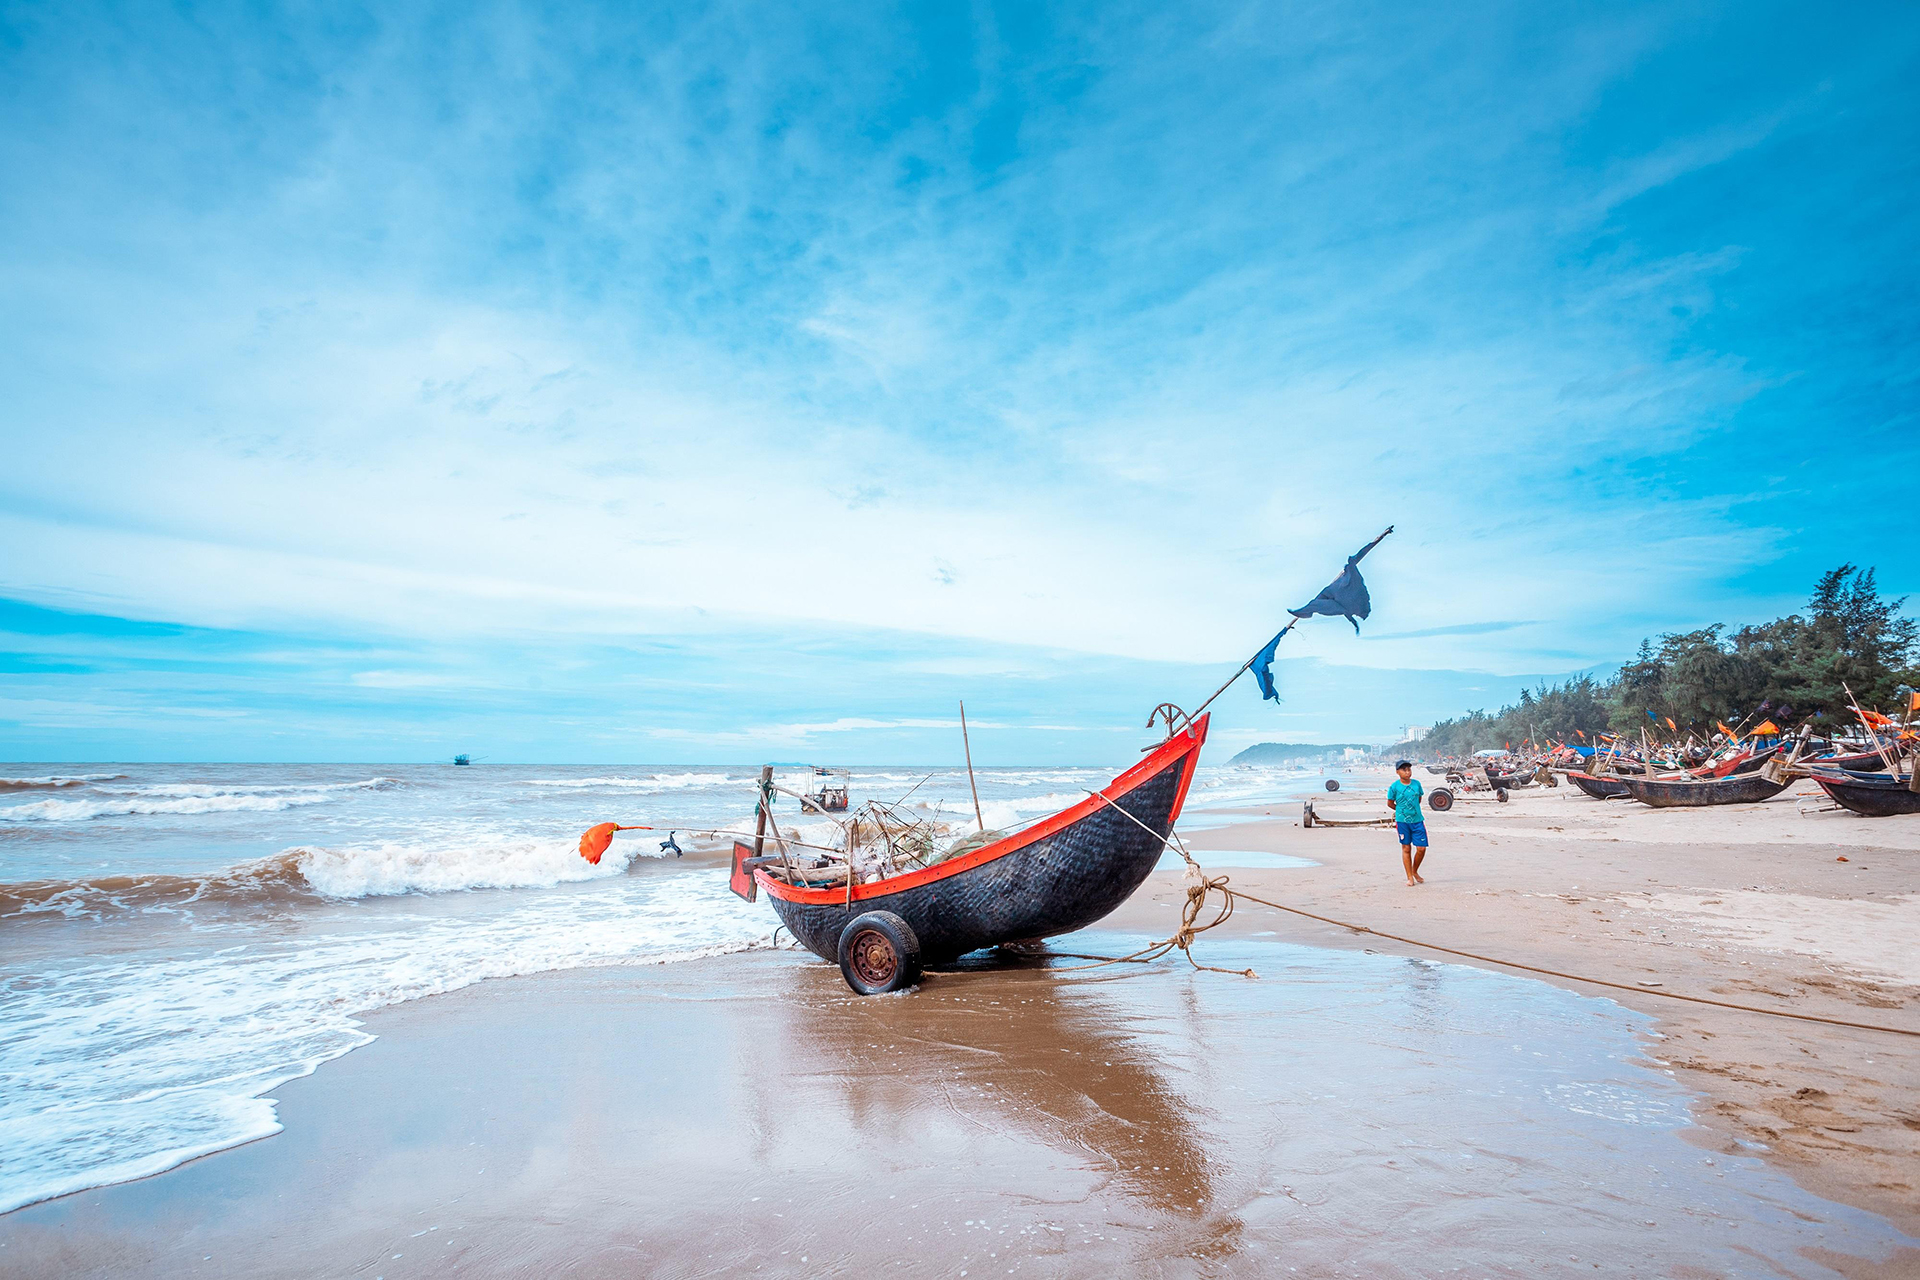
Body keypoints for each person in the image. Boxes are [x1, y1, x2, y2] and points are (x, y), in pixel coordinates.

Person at [1386, 760, 1427, 886]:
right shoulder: (1394, 787)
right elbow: (1390, 803)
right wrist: (1400, 812)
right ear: (1397, 772)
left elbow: (1419, 799)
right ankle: (1410, 877)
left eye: (1409, 769)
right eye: (1404, 770)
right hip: (1402, 822)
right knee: (1406, 848)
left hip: (1417, 820)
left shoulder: (1416, 784)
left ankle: (1415, 871)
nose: (1407, 772)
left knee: (1421, 848)